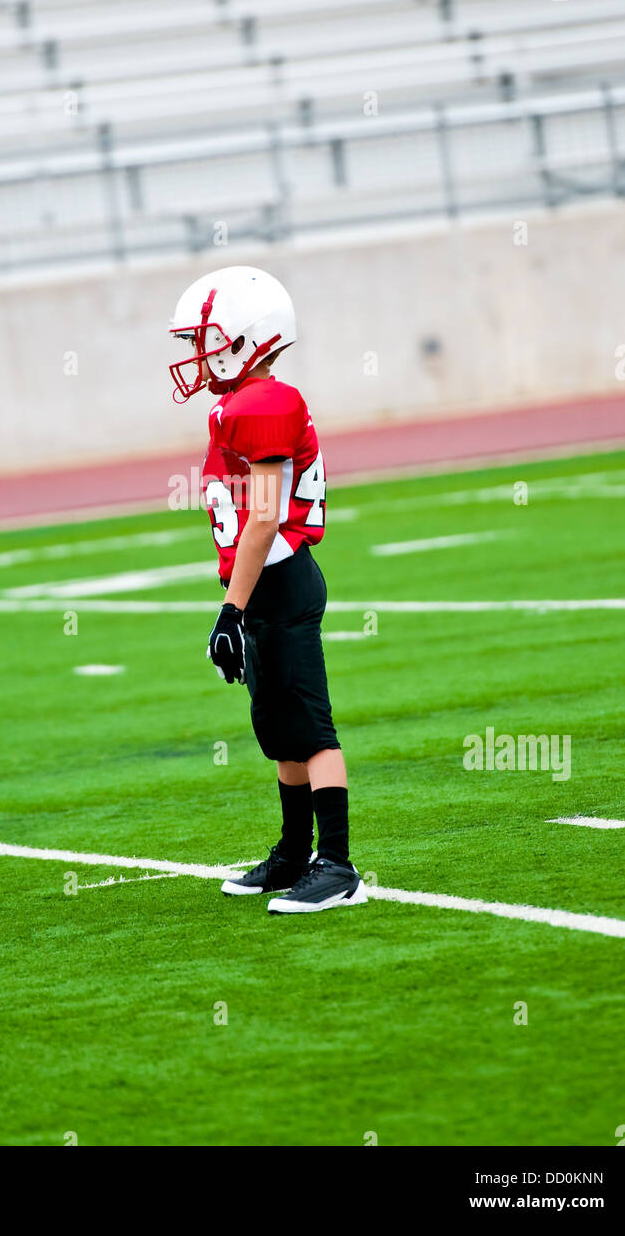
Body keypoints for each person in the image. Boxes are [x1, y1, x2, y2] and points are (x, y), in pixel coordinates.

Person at [169, 266, 367, 914]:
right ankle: (291, 852)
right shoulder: (237, 405)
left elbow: (262, 515)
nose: (197, 355)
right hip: (260, 587)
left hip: (279, 582)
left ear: (248, 338)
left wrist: (231, 609)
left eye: (207, 339)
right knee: (277, 726)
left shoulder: (265, 403)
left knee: (310, 729)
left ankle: (335, 866)